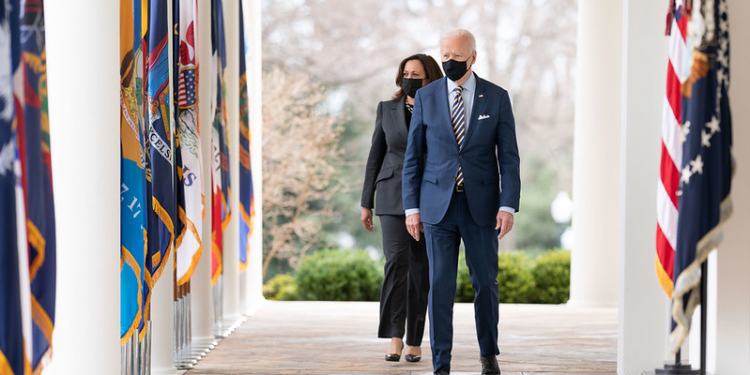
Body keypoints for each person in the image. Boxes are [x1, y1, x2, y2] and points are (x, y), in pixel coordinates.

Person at [402, 29, 520, 375]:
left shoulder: (496, 98)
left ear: (473, 57)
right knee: (440, 286)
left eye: (456, 56)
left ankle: (488, 355)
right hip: (436, 207)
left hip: (482, 207)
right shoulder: (427, 97)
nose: (449, 61)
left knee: (485, 284)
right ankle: (442, 363)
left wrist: (508, 204)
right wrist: (412, 208)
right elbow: (414, 158)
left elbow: (509, 158)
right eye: (444, 55)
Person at [361, 53, 444, 363]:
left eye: (417, 74)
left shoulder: (441, 107)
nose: (410, 78)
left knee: (421, 269)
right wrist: (365, 202)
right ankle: (394, 336)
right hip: (391, 196)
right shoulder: (386, 109)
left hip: (430, 197)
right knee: (397, 264)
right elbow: (375, 156)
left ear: (430, 79)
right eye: (406, 72)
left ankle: (414, 339)